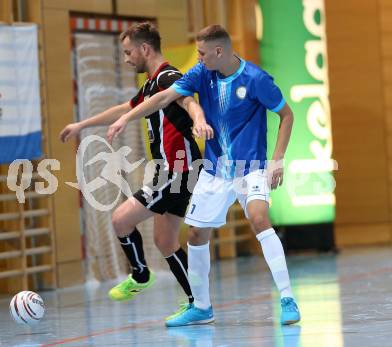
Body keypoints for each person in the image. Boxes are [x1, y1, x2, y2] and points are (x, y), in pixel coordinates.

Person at [107, 24, 301, 327]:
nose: (198, 58)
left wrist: (277, 161)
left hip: (249, 167)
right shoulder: (202, 74)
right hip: (214, 171)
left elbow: (286, 115)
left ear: (219, 51)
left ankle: (288, 298)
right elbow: (162, 98)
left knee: (259, 217)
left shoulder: (256, 79)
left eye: (201, 53)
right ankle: (201, 306)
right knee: (196, 234)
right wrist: (125, 119)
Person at [60, 22, 213, 319]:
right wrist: (82, 125)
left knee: (120, 219)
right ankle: (199, 303)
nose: (127, 58)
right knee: (165, 242)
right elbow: (123, 109)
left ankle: (141, 275)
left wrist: (198, 119)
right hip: (178, 171)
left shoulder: (169, 77)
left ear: (145, 49)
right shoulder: (150, 85)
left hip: (175, 170)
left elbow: (188, 102)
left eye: (129, 52)